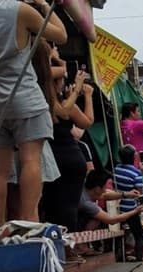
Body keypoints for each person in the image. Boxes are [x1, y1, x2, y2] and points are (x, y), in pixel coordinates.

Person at [0, 0, 68, 226]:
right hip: (25, 99)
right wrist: (43, 4)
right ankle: (29, 220)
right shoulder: (19, 10)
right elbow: (61, 35)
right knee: (31, 160)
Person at [41, 70, 93, 233]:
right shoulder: (65, 105)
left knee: (48, 203)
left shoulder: (40, 101)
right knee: (69, 205)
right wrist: (86, 95)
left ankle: (52, 242)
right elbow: (87, 122)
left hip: (48, 158)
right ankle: (68, 246)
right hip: (71, 157)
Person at [78, 170, 143, 230]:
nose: (105, 190)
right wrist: (135, 211)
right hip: (75, 228)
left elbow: (104, 195)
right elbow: (111, 220)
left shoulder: (84, 186)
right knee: (96, 220)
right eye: (105, 187)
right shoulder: (87, 204)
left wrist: (126, 194)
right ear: (97, 189)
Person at [114, 144, 143, 261]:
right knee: (138, 235)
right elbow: (140, 193)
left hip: (116, 207)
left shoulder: (116, 169)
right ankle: (139, 258)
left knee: (117, 234)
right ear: (133, 157)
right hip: (131, 209)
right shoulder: (136, 173)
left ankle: (118, 257)